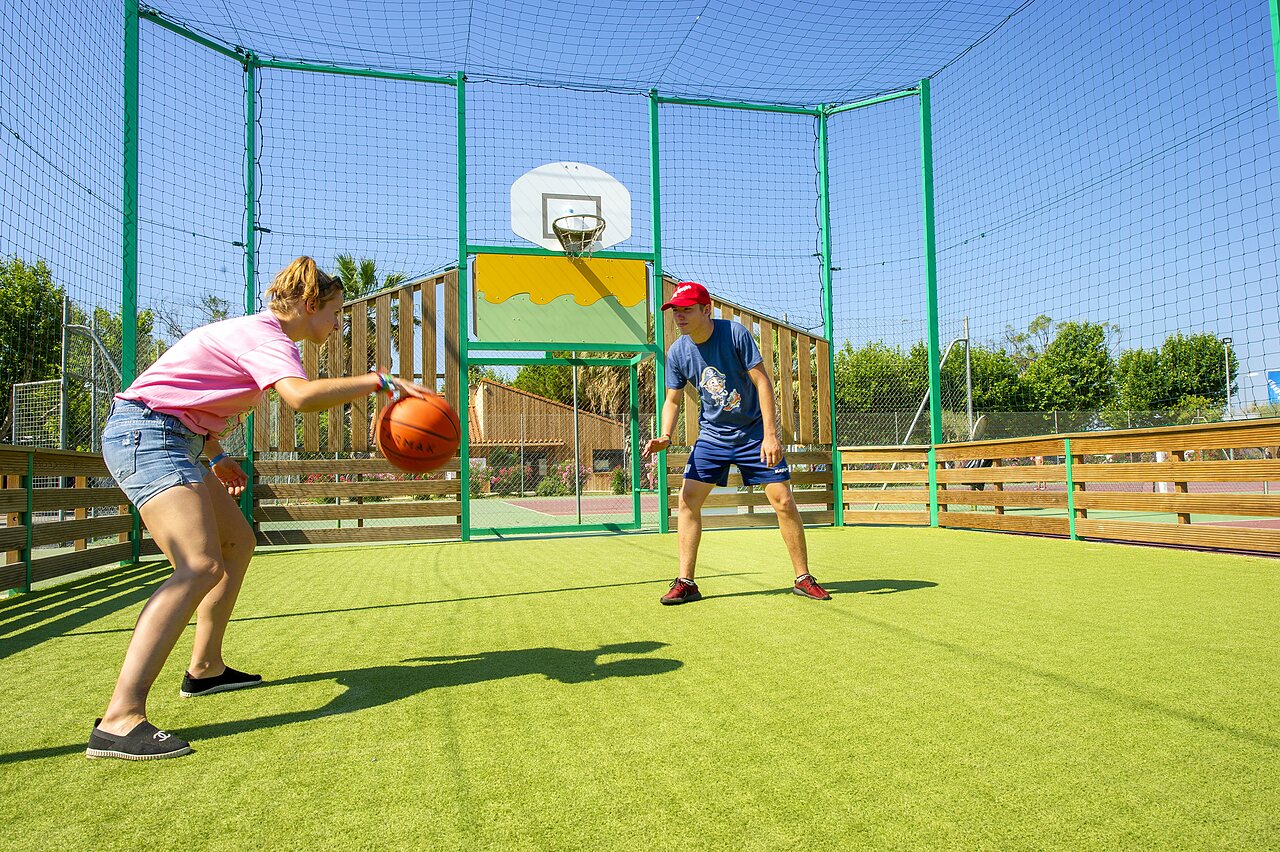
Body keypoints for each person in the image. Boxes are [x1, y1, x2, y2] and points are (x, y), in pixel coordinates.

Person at [86, 256, 436, 760]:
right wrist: (379, 381)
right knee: (199, 565)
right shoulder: (267, 337)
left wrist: (219, 456)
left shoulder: (260, 337)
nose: (337, 326)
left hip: (172, 436)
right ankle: (120, 718)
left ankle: (205, 670)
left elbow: (187, 398)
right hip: (146, 436)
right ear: (311, 305)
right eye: (335, 313)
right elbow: (299, 398)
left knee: (237, 542)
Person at [644, 281, 830, 605]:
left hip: (753, 433)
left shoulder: (735, 334)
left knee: (783, 501)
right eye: (676, 311)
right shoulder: (677, 352)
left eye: (687, 309)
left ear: (706, 310)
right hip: (712, 437)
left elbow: (762, 382)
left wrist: (771, 435)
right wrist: (666, 435)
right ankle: (686, 582)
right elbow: (672, 400)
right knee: (688, 501)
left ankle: (803, 577)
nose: (680, 316)